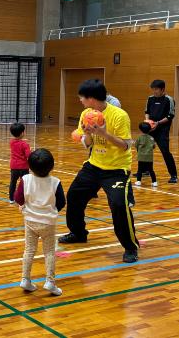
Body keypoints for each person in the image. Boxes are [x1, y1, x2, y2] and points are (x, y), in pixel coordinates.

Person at [58, 79, 139, 263]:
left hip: (116, 169)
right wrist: (87, 134)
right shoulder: (86, 114)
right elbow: (87, 144)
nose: (80, 100)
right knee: (74, 196)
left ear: (92, 98)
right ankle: (78, 233)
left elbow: (126, 145)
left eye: (82, 97)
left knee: (119, 205)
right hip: (94, 165)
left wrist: (103, 133)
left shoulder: (119, 115)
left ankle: (130, 247)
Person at [14, 148, 65, 296]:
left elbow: (18, 198)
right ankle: (50, 282)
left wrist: (23, 205)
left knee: (29, 250)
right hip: (48, 223)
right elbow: (61, 202)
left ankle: (25, 279)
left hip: (30, 221)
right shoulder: (55, 182)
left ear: (30, 166)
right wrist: (51, 211)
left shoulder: (25, 179)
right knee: (49, 252)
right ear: (52, 166)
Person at [145, 79, 178, 183]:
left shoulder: (169, 100)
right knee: (145, 149)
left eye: (156, 89)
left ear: (162, 89)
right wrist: (147, 121)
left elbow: (170, 116)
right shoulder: (150, 98)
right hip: (151, 129)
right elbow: (147, 111)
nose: (154, 91)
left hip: (162, 130)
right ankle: (146, 170)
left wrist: (158, 123)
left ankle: (173, 175)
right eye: (153, 89)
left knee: (165, 152)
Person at [9, 122, 31, 204]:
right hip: (23, 167)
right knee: (25, 183)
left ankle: (11, 199)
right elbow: (28, 155)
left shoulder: (11, 142)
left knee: (13, 182)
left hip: (14, 166)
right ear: (22, 133)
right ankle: (23, 199)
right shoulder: (25, 144)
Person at [134, 121, 157, 188]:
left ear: (141, 130)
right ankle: (154, 182)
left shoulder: (139, 138)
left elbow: (136, 145)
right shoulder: (151, 138)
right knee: (151, 170)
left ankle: (138, 181)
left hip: (141, 157)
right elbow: (154, 146)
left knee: (140, 170)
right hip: (149, 157)